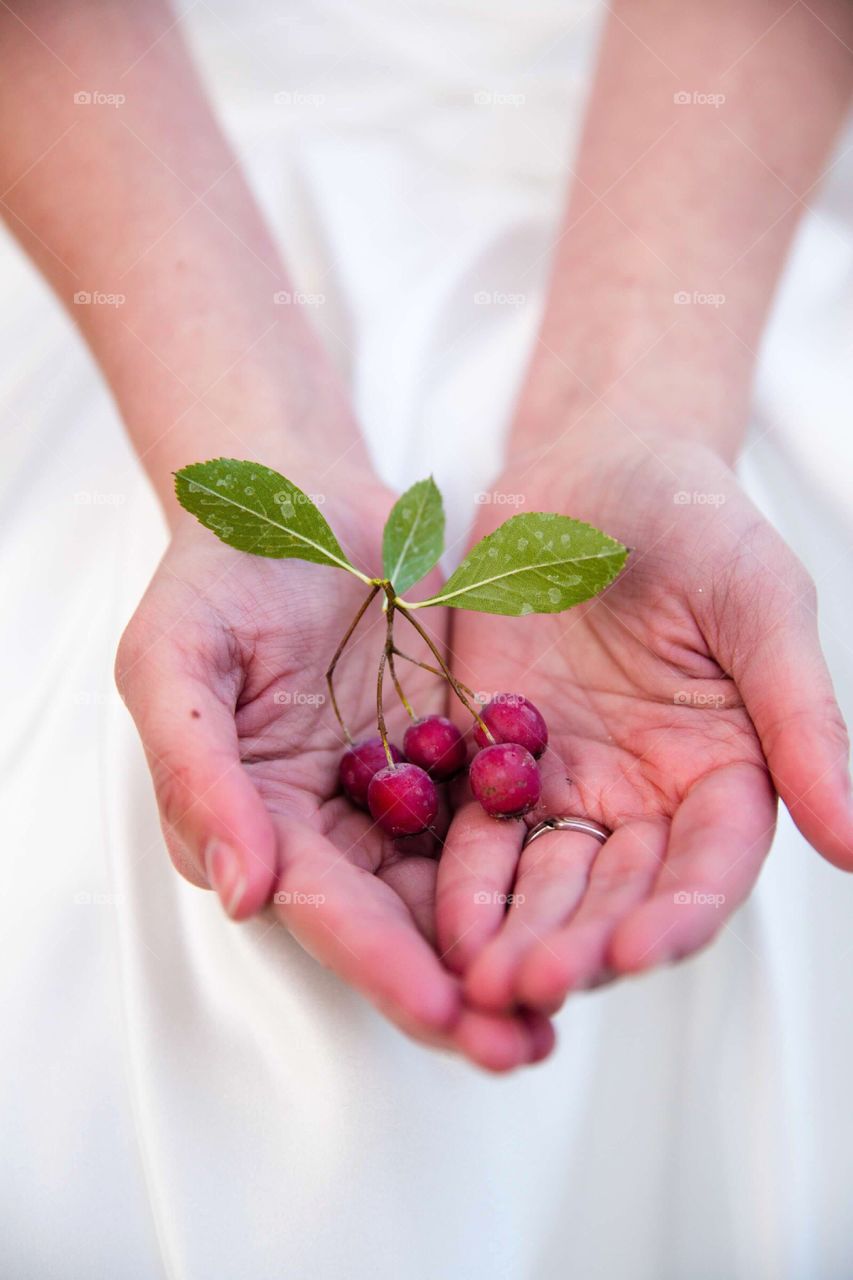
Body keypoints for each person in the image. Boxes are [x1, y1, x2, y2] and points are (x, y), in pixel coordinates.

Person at [1, 1, 850, 1275]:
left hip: (700, 230)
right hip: (165, 259)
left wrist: (639, 413)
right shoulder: (433, 729)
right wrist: (251, 438)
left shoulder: (452, 739)